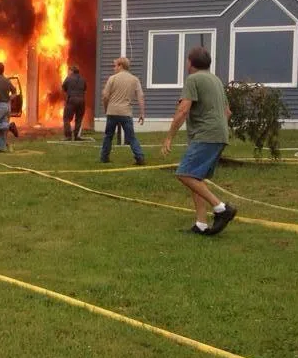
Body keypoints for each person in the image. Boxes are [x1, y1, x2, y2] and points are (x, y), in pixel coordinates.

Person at [162, 46, 236, 236]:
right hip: (219, 134)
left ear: (190, 63)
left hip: (206, 135)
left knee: (184, 173)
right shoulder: (216, 80)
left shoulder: (193, 80)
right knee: (195, 178)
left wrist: (169, 137)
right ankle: (201, 224)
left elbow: (183, 110)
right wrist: (217, 129)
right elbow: (227, 112)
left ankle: (221, 208)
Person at [100, 56, 145, 165]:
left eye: (115, 65)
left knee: (108, 136)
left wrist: (106, 108)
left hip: (112, 111)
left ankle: (104, 157)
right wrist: (142, 113)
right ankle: (139, 157)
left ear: (120, 66)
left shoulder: (112, 79)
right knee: (131, 136)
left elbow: (105, 96)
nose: (114, 68)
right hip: (126, 112)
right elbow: (141, 96)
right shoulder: (134, 79)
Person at [62, 64, 86, 141]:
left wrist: (69, 92)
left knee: (66, 118)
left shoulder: (68, 78)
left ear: (72, 71)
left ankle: (68, 136)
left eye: (69, 70)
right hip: (81, 100)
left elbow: (63, 87)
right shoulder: (83, 79)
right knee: (79, 118)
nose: (68, 72)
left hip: (72, 100)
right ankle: (76, 136)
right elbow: (85, 88)